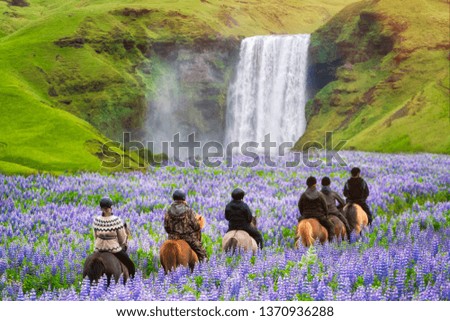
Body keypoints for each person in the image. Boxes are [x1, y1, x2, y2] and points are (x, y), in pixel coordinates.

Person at [93, 197, 136, 277]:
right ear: (111, 208)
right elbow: (122, 239)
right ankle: (132, 281)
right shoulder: (116, 220)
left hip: (98, 249)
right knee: (130, 265)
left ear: (101, 208)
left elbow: (95, 236)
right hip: (113, 249)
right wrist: (121, 244)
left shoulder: (96, 220)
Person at [164, 190, 207, 262]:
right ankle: (204, 266)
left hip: (172, 238)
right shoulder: (189, 211)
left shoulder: (168, 211)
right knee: (202, 253)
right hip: (188, 238)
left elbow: (166, 227)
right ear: (184, 199)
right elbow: (196, 226)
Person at [298, 176, 335, 241]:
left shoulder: (303, 195)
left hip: (306, 215)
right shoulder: (320, 194)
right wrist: (326, 215)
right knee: (331, 226)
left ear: (307, 184)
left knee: (298, 227)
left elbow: (300, 206)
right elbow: (325, 206)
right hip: (319, 216)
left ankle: (296, 243)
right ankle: (330, 242)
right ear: (315, 184)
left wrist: (303, 215)